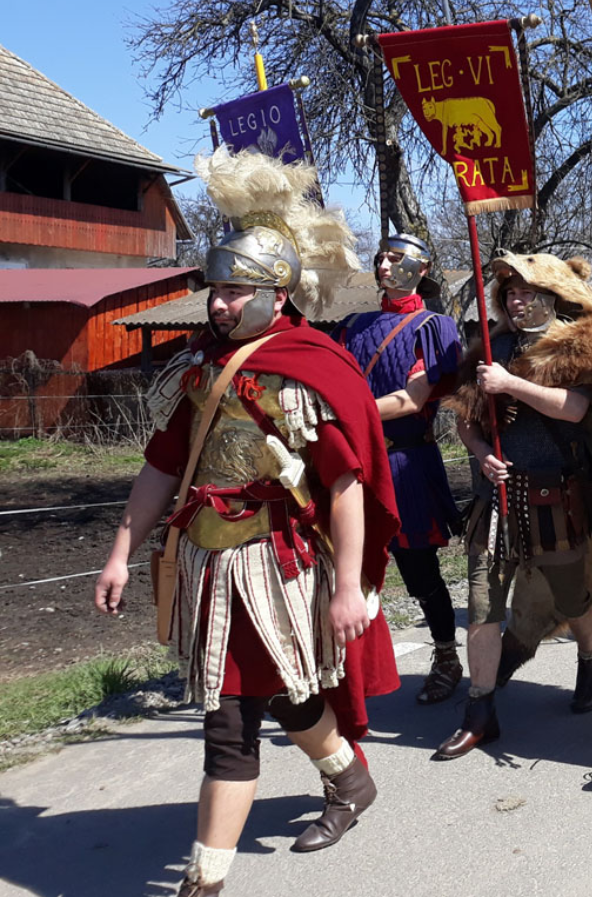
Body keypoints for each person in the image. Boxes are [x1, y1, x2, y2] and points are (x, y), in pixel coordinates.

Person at [93, 148, 398, 896]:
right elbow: (161, 467)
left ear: (275, 292)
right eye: (216, 289)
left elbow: (347, 483)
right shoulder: (198, 365)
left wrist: (350, 586)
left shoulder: (310, 364)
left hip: (278, 562)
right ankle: (350, 780)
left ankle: (204, 880)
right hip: (206, 560)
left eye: (235, 290)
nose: (219, 304)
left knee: (240, 715)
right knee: (271, 695)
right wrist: (121, 552)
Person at [436, 252, 592, 760]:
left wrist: (511, 384)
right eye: (510, 294)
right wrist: (482, 453)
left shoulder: (576, 345)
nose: (516, 301)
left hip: (555, 498)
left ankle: (590, 659)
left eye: (527, 292)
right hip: (494, 499)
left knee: (573, 600)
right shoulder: (489, 348)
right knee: (482, 607)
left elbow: (576, 409)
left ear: (550, 296)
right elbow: (466, 419)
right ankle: (479, 711)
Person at [337, 233, 463, 705]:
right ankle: (344, 667)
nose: (384, 266)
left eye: (395, 258)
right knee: (346, 568)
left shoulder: (433, 327)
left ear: (422, 268)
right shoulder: (352, 325)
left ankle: (447, 657)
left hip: (405, 462)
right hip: (353, 460)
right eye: (381, 258)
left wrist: (349, 411)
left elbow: (412, 399)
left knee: (419, 569)